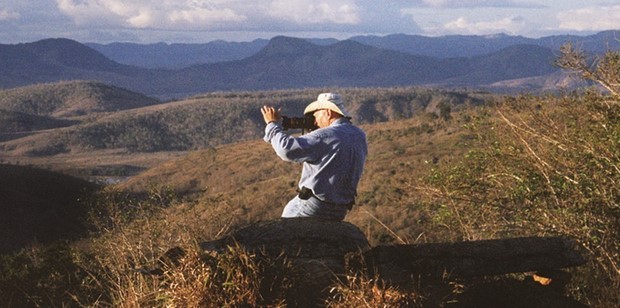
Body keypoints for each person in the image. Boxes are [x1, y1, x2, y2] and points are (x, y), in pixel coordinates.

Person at [261, 93, 367, 221]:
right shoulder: (359, 135)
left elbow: (286, 149)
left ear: (328, 113)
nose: (314, 120)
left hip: (314, 206)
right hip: (340, 210)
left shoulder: (325, 135)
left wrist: (272, 125)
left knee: (283, 231)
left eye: (316, 114)